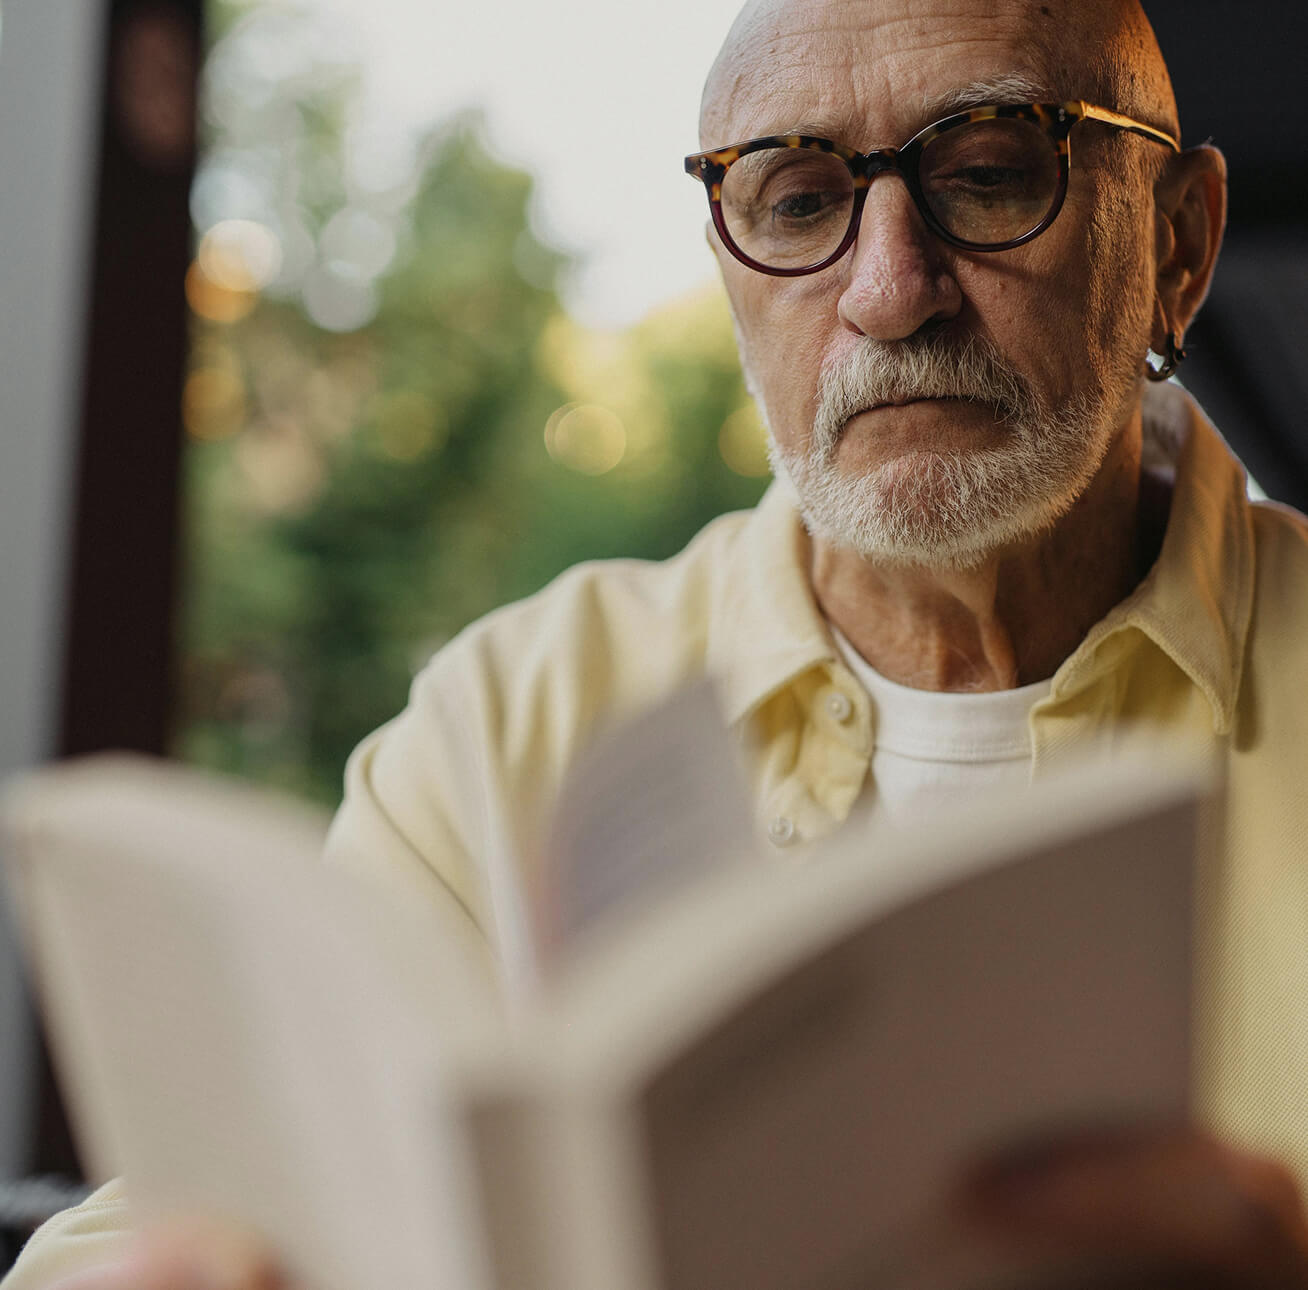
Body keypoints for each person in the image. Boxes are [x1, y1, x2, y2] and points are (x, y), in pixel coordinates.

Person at [7, 0, 1308, 1286]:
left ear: (1180, 244)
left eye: (987, 173)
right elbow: (163, 1220)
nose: (890, 290)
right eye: (798, 201)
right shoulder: (511, 716)